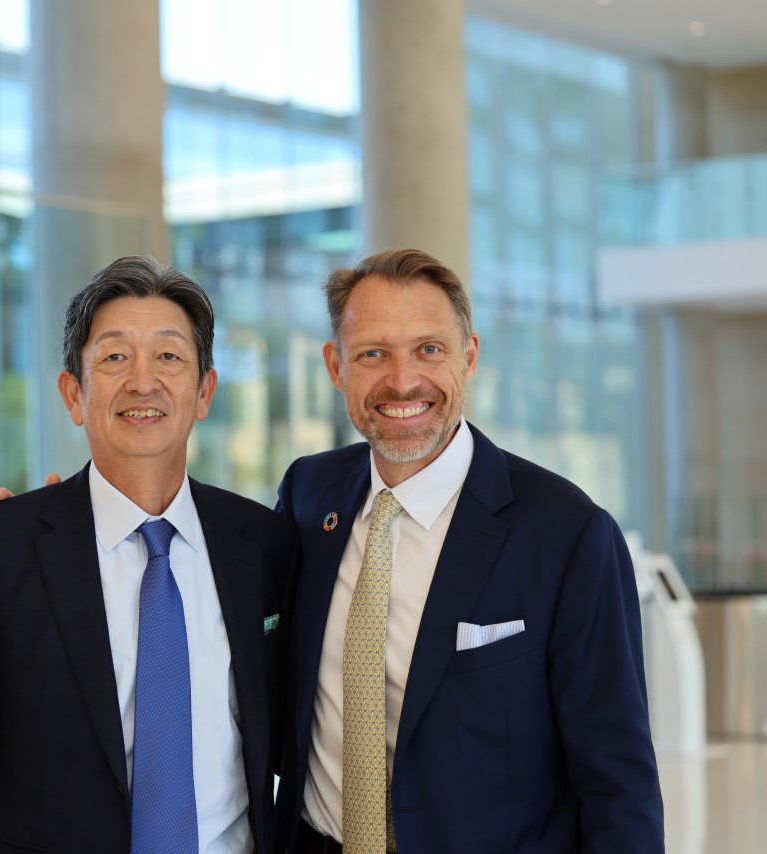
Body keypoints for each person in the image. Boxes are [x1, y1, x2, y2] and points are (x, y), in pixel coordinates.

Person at [274, 248, 663, 853]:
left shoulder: (568, 534)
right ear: (335, 365)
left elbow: (618, 783)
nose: (402, 381)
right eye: (373, 353)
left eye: (429, 349)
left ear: (470, 357)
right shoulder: (307, 494)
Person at [0, 256, 298, 854]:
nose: (143, 382)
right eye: (115, 357)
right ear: (73, 394)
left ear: (204, 392)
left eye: (169, 356)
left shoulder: (265, 545)